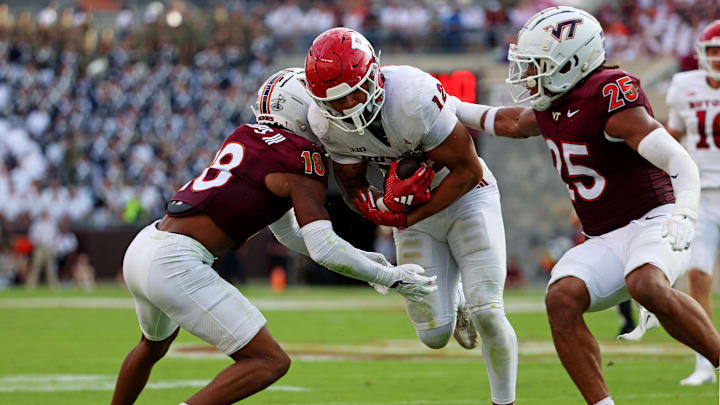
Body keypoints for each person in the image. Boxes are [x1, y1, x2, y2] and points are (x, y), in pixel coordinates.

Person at [111, 68, 437, 405]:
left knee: (152, 346)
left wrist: (364, 261)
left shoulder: (245, 135)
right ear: (302, 111)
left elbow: (289, 234)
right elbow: (322, 246)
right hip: (175, 262)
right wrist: (390, 276)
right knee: (269, 361)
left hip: (145, 244)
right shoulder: (300, 158)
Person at [452, 6, 720, 404]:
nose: (528, 76)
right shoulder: (552, 103)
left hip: (654, 218)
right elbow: (506, 122)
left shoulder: (608, 95)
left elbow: (677, 159)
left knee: (644, 283)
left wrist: (685, 212)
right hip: (604, 235)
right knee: (561, 300)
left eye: (537, 65)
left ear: (572, 62)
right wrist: (442, 102)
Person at [303, 28, 518, 405]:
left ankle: (504, 401)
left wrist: (402, 218)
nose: (347, 106)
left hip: (467, 197)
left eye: (352, 92)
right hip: (413, 214)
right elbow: (353, 189)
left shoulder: (413, 95)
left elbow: (469, 171)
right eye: (334, 101)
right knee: (434, 334)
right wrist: (376, 210)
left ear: (373, 74)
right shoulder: (326, 124)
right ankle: (458, 298)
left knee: (488, 310)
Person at [666, 19, 720, 386]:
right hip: (701, 194)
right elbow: (672, 135)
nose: (716, 58)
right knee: (697, 275)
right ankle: (706, 360)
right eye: (712, 50)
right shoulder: (684, 86)